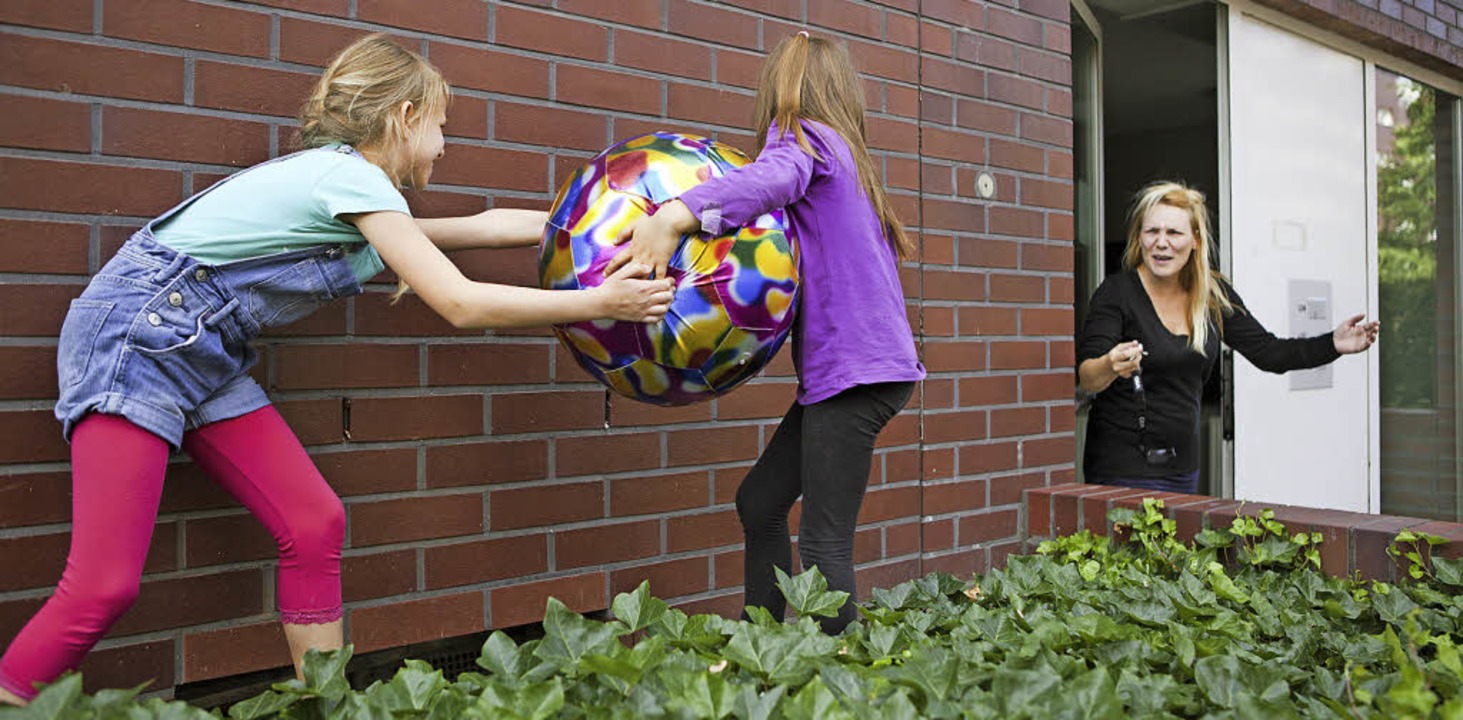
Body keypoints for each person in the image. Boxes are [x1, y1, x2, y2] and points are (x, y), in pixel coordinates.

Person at [0, 34, 674, 706]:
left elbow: (485, 226)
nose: (444, 145)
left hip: (198, 346)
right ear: (405, 118)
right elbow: (459, 302)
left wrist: (608, 224)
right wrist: (602, 302)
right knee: (103, 585)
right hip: (139, 337)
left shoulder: (356, 198)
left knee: (312, 521)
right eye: (441, 127)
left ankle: (324, 703)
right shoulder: (349, 178)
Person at [606, 32, 925, 634]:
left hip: (857, 373)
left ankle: (849, 683)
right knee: (760, 503)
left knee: (826, 545)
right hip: (857, 373)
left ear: (782, 89)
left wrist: (674, 216)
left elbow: (769, 179)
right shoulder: (844, 153)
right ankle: (762, 646)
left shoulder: (803, 139)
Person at [1076, 181, 1379, 494]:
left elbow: (1268, 352)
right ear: (1140, 237)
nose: (1161, 243)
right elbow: (1088, 378)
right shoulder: (1117, 293)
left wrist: (1332, 344)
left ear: (1195, 240)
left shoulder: (1212, 296)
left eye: (1174, 233)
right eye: (1152, 231)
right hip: (1121, 468)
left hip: (1182, 469)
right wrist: (1111, 365)